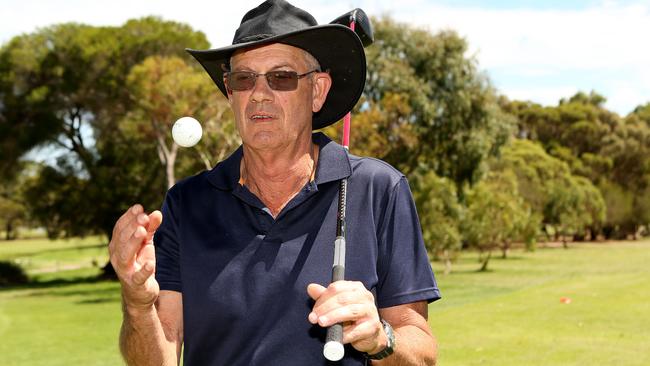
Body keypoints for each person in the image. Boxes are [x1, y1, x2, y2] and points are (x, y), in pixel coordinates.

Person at [108, 0, 440, 365]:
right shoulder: (187, 202)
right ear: (230, 92)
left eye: (281, 77)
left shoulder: (379, 189)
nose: (260, 93)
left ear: (317, 90)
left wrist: (380, 337)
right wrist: (138, 305)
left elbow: (421, 352)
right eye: (244, 78)